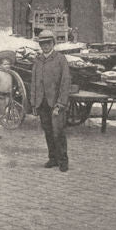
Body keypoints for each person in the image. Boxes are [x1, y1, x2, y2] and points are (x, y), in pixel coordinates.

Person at [30, 29, 71, 172]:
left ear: (53, 43)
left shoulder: (60, 59)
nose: (45, 46)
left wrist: (61, 103)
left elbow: (65, 82)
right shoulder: (38, 60)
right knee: (48, 131)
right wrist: (34, 103)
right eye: (42, 43)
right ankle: (52, 158)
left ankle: (63, 160)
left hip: (56, 103)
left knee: (58, 132)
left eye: (48, 43)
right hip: (42, 103)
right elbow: (34, 82)